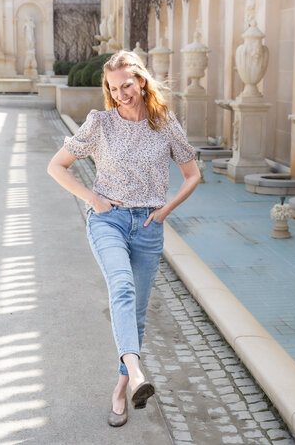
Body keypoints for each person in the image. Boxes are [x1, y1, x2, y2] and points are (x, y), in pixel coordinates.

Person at [47, 50, 201, 427]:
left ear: (142, 81)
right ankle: (136, 374)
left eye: (126, 85)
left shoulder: (164, 123)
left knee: (137, 313)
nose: (120, 94)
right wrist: (93, 198)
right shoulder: (100, 122)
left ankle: (121, 389)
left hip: (148, 226)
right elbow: (57, 166)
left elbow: (193, 174)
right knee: (122, 287)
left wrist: (165, 210)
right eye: (113, 88)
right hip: (108, 220)